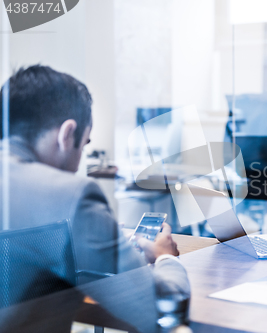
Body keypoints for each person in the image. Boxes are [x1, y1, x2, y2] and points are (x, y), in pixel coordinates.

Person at [0, 65, 189, 332]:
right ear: (67, 135)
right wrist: (166, 258)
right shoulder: (70, 195)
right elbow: (160, 309)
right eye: (85, 143)